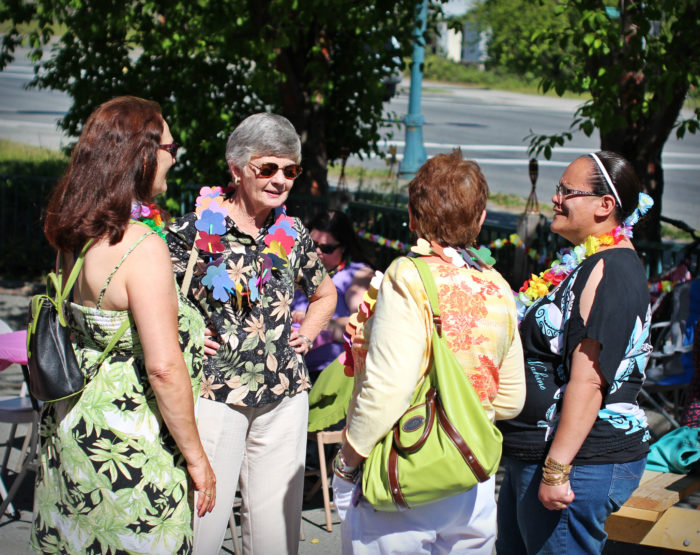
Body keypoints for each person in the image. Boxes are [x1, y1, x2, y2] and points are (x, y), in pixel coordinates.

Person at [32, 96, 216, 554]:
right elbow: (163, 368)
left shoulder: (74, 230)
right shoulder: (140, 247)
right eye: (171, 148)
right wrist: (197, 460)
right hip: (130, 443)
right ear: (144, 155)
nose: (174, 159)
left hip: (73, 429)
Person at [331, 150, 526, 554]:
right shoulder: (497, 286)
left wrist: (347, 462)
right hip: (472, 474)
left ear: (412, 216)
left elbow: (388, 390)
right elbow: (510, 399)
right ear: (482, 218)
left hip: (408, 463)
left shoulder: (408, 275)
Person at [167, 112, 336, 554]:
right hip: (213, 395)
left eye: (290, 170)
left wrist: (310, 330)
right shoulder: (189, 233)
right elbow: (155, 303)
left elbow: (324, 294)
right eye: (268, 168)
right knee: (202, 525)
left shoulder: (293, 231)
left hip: (285, 394)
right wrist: (184, 331)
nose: (280, 179)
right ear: (236, 167)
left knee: (276, 533)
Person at [496, 151, 654, 554]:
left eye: (567, 191)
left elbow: (590, 378)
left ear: (606, 206)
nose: (555, 199)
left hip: (579, 465)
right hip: (534, 455)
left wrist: (556, 468)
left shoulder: (613, 270)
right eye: (557, 189)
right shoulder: (587, 263)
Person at [291, 210, 374, 379]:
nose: (317, 251)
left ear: (343, 248)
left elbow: (365, 325)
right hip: (286, 365)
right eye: (312, 244)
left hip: (325, 374)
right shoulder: (294, 266)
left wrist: (316, 322)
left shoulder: (357, 276)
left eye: (327, 248)